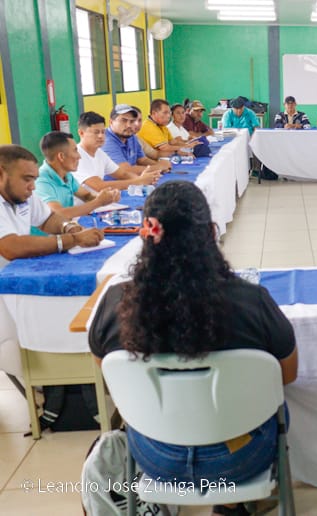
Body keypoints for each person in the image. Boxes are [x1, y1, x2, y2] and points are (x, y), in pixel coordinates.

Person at [89, 181, 298, 516]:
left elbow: (110, 378)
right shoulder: (252, 302)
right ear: (211, 232)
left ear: (147, 235)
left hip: (158, 459)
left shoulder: (115, 304)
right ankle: (230, 502)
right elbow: (286, 375)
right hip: (240, 459)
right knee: (277, 405)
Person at [0, 144, 104, 268]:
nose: (32, 187)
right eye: (27, 179)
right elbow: (11, 247)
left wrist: (69, 227)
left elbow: (48, 219)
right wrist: (74, 239)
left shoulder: (23, 194)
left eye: (34, 180)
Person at [34, 131, 120, 220]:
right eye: (75, 150)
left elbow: (86, 196)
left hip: (68, 226)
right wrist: (98, 202)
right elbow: (59, 214)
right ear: (61, 156)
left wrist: (107, 197)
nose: (79, 156)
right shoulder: (41, 181)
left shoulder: (66, 174)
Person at [74, 111, 160, 192]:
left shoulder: (100, 153)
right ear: (81, 133)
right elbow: (99, 186)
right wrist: (139, 181)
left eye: (103, 132)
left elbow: (123, 174)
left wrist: (143, 179)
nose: (100, 136)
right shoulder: (76, 155)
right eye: (96, 132)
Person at [101, 105, 171, 174]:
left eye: (132, 121)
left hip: (133, 179)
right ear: (111, 122)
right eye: (124, 121)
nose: (129, 125)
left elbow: (142, 160)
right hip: (116, 181)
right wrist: (159, 167)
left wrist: (161, 166)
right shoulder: (106, 141)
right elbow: (126, 171)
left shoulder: (131, 136)